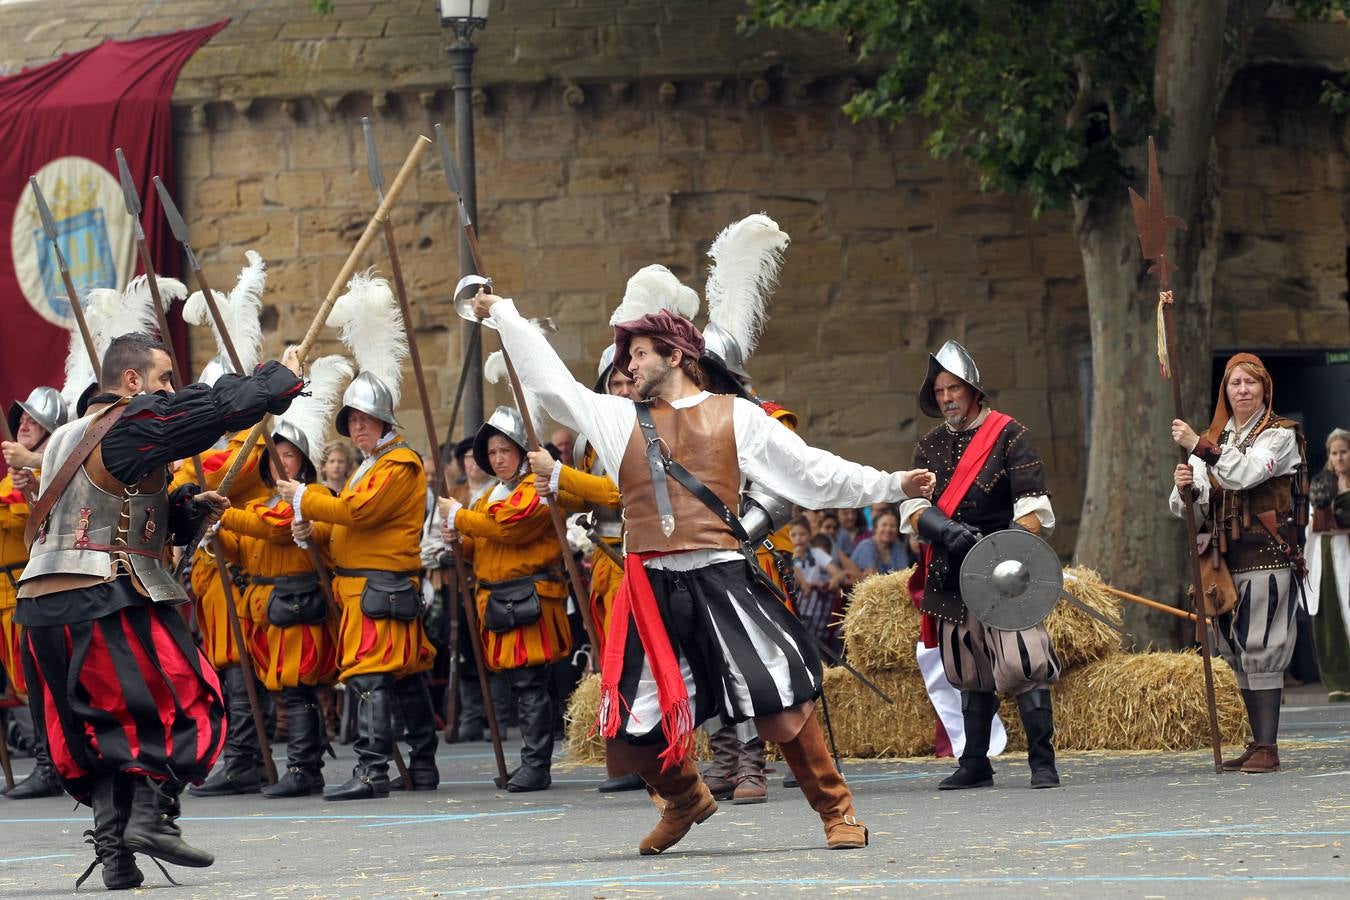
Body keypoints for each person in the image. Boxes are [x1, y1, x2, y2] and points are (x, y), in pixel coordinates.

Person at [473, 287, 934, 854]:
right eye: (627, 356)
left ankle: (836, 812)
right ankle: (687, 798)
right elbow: (552, 387)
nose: (629, 364)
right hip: (651, 587)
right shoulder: (619, 418)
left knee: (779, 697)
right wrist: (506, 315)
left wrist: (891, 484)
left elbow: (812, 472)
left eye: (640, 353)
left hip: (722, 578)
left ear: (676, 356)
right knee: (633, 722)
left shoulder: (738, 416)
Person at [18, 334, 301, 889]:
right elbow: (210, 411)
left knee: (98, 728)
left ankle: (117, 852)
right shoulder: (126, 423)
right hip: (102, 592)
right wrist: (276, 378)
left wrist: (184, 510)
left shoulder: (67, 438)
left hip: (43, 604)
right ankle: (150, 819)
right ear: (131, 381)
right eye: (164, 377)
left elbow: (104, 512)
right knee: (182, 697)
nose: (169, 390)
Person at [278, 273, 437, 799]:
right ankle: (422, 764)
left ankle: (373, 771)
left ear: (384, 419)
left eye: (367, 419)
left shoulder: (400, 464)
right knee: (403, 676)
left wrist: (306, 499)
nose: (358, 427)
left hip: (382, 587)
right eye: (352, 420)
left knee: (374, 677)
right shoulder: (370, 465)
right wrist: (313, 533)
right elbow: (344, 525)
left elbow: (359, 514)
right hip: (363, 587)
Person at [899, 340, 1060, 790]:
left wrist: (998, 547)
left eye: (954, 388)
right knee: (968, 669)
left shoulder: (1010, 435)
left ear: (973, 391)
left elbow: (1034, 510)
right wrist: (944, 530)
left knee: (1023, 662)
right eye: (939, 390)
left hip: (1006, 573)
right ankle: (975, 762)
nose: (946, 397)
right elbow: (913, 507)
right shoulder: (928, 446)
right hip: (951, 570)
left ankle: (1042, 763)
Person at [215, 356, 349, 798]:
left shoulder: (313, 498)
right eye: (275, 458)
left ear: (303, 462)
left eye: (288, 456)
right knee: (281, 689)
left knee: (298, 689)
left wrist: (226, 516)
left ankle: (305, 769)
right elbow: (249, 552)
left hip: (298, 604)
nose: (279, 465)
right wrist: (217, 537)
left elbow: (273, 532)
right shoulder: (263, 503)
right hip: (266, 608)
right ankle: (295, 765)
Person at [1170, 353, 1305, 773]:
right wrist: (1187, 489)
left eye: (1250, 382)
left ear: (1264, 388)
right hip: (1224, 562)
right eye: (1235, 383)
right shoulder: (1217, 437)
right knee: (1236, 650)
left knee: (1263, 646)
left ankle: (1269, 746)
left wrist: (1199, 447)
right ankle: (1256, 742)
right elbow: (1184, 504)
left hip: (1267, 557)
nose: (1243, 390)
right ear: (1225, 392)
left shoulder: (1280, 435)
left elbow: (1246, 474)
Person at [440, 406, 579, 792]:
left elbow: (507, 529)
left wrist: (459, 519)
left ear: (521, 451)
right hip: (500, 598)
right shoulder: (490, 496)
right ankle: (529, 763)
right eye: (493, 452)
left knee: (531, 683)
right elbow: (484, 547)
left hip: (530, 596)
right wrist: (460, 544)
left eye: (506, 450)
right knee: (520, 684)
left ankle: (537, 766)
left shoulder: (537, 487)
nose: (499, 458)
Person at [525, 344, 643, 793]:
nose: (620, 390)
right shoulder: (590, 439)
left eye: (626, 382)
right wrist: (553, 489)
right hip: (605, 558)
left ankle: (649, 755)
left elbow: (622, 492)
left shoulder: (643, 429)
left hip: (639, 554)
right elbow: (589, 496)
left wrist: (560, 476)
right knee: (615, 657)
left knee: (637, 657)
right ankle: (633, 754)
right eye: (612, 384)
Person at [0, 386, 68, 799]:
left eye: (33, 420)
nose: (23, 423)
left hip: (32, 591)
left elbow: (33, 514)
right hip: (5, 597)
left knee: (43, 684)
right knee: (24, 686)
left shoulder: (50, 480)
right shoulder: (14, 481)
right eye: (21, 419)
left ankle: (52, 765)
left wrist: (26, 484)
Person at [1308, 428, 1350, 701]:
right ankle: (1338, 680)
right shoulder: (1323, 483)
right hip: (1329, 552)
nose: (1339, 458)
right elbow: (1314, 521)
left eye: (1344, 452)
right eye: (1334, 453)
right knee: (1332, 613)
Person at [788, 517, 846, 648]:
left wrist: (835, 579)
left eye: (803, 534)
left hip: (810, 611)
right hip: (790, 608)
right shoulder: (785, 555)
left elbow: (839, 573)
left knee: (809, 646)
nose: (798, 538)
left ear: (809, 536)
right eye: (793, 535)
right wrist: (802, 580)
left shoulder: (816, 553)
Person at [850, 509, 912, 576]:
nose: (888, 529)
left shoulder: (897, 546)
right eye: (884, 525)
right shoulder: (866, 546)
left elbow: (903, 573)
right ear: (876, 528)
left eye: (893, 526)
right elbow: (872, 577)